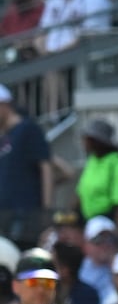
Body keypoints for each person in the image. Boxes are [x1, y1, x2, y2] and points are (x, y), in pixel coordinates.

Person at [0, 84, 54, 245]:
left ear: (4, 105)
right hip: (6, 215)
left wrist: (46, 213)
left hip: (25, 215)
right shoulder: (5, 135)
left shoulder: (29, 129)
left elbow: (46, 168)